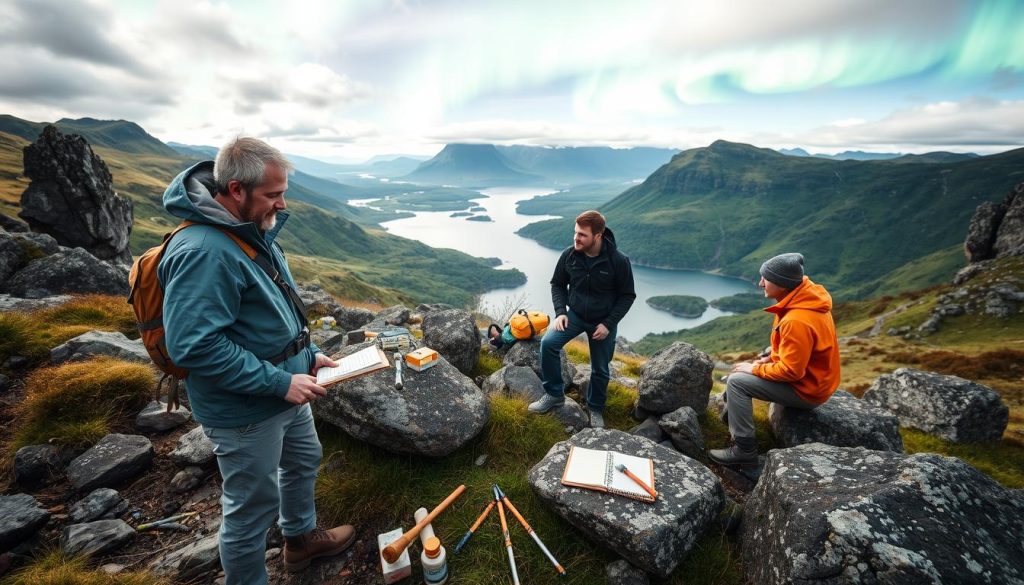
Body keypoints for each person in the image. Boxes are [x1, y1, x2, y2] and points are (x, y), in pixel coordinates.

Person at [159, 137, 355, 584]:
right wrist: (280, 382)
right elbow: (193, 346)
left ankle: (300, 541)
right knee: (250, 512)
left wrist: (308, 355)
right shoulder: (203, 252)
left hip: (285, 386)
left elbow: (266, 313)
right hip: (246, 408)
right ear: (234, 189)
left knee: (304, 460)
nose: (282, 203)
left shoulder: (247, 228)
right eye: (272, 194)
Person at [708, 253, 841, 467]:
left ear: (782, 284)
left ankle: (744, 451)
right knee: (749, 368)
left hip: (807, 390)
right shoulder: (805, 301)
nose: (761, 283)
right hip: (816, 380)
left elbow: (792, 371)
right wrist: (768, 359)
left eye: (765, 279)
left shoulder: (797, 320)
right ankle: (734, 416)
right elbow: (801, 351)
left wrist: (755, 370)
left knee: (736, 382)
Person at [527, 210, 636, 428]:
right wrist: (560, 312)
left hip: (603, 322)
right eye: (575, 233)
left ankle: (595, 408)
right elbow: (557, 284)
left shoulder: (618, 261)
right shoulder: (569, 255)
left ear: (598, 235)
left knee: (600, 368)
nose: (576, 238)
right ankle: (554, 394)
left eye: (582, 235)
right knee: (548, 344)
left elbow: (627, 296)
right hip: (574, 315)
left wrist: (608, 324)